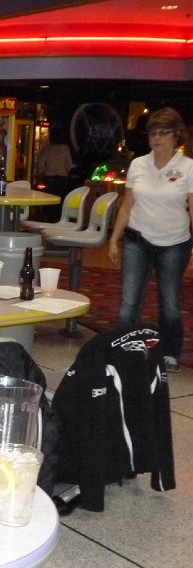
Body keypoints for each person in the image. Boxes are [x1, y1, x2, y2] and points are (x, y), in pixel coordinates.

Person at [108, 107, 193, 374]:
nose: (157, 138)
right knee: (129, 302)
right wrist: (113, 239)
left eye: (163, 133)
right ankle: (123, 349)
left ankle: (169, 352)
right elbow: (126, 205)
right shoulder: (138, 165)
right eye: (153, 133)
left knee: (169, 303)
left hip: (174, 242)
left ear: (176, 135)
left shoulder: (188, 167)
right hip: (137, 240)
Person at [37, 128, 73, 218]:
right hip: (62, 177)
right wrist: (66, 172)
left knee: (50, 200)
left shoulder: (48, 149)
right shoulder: (65, 149)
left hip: (50, 177)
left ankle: (50, 217)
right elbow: (69, 164)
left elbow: (41, 164)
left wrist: (41, 173)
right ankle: (59, 218)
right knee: (61, 199)